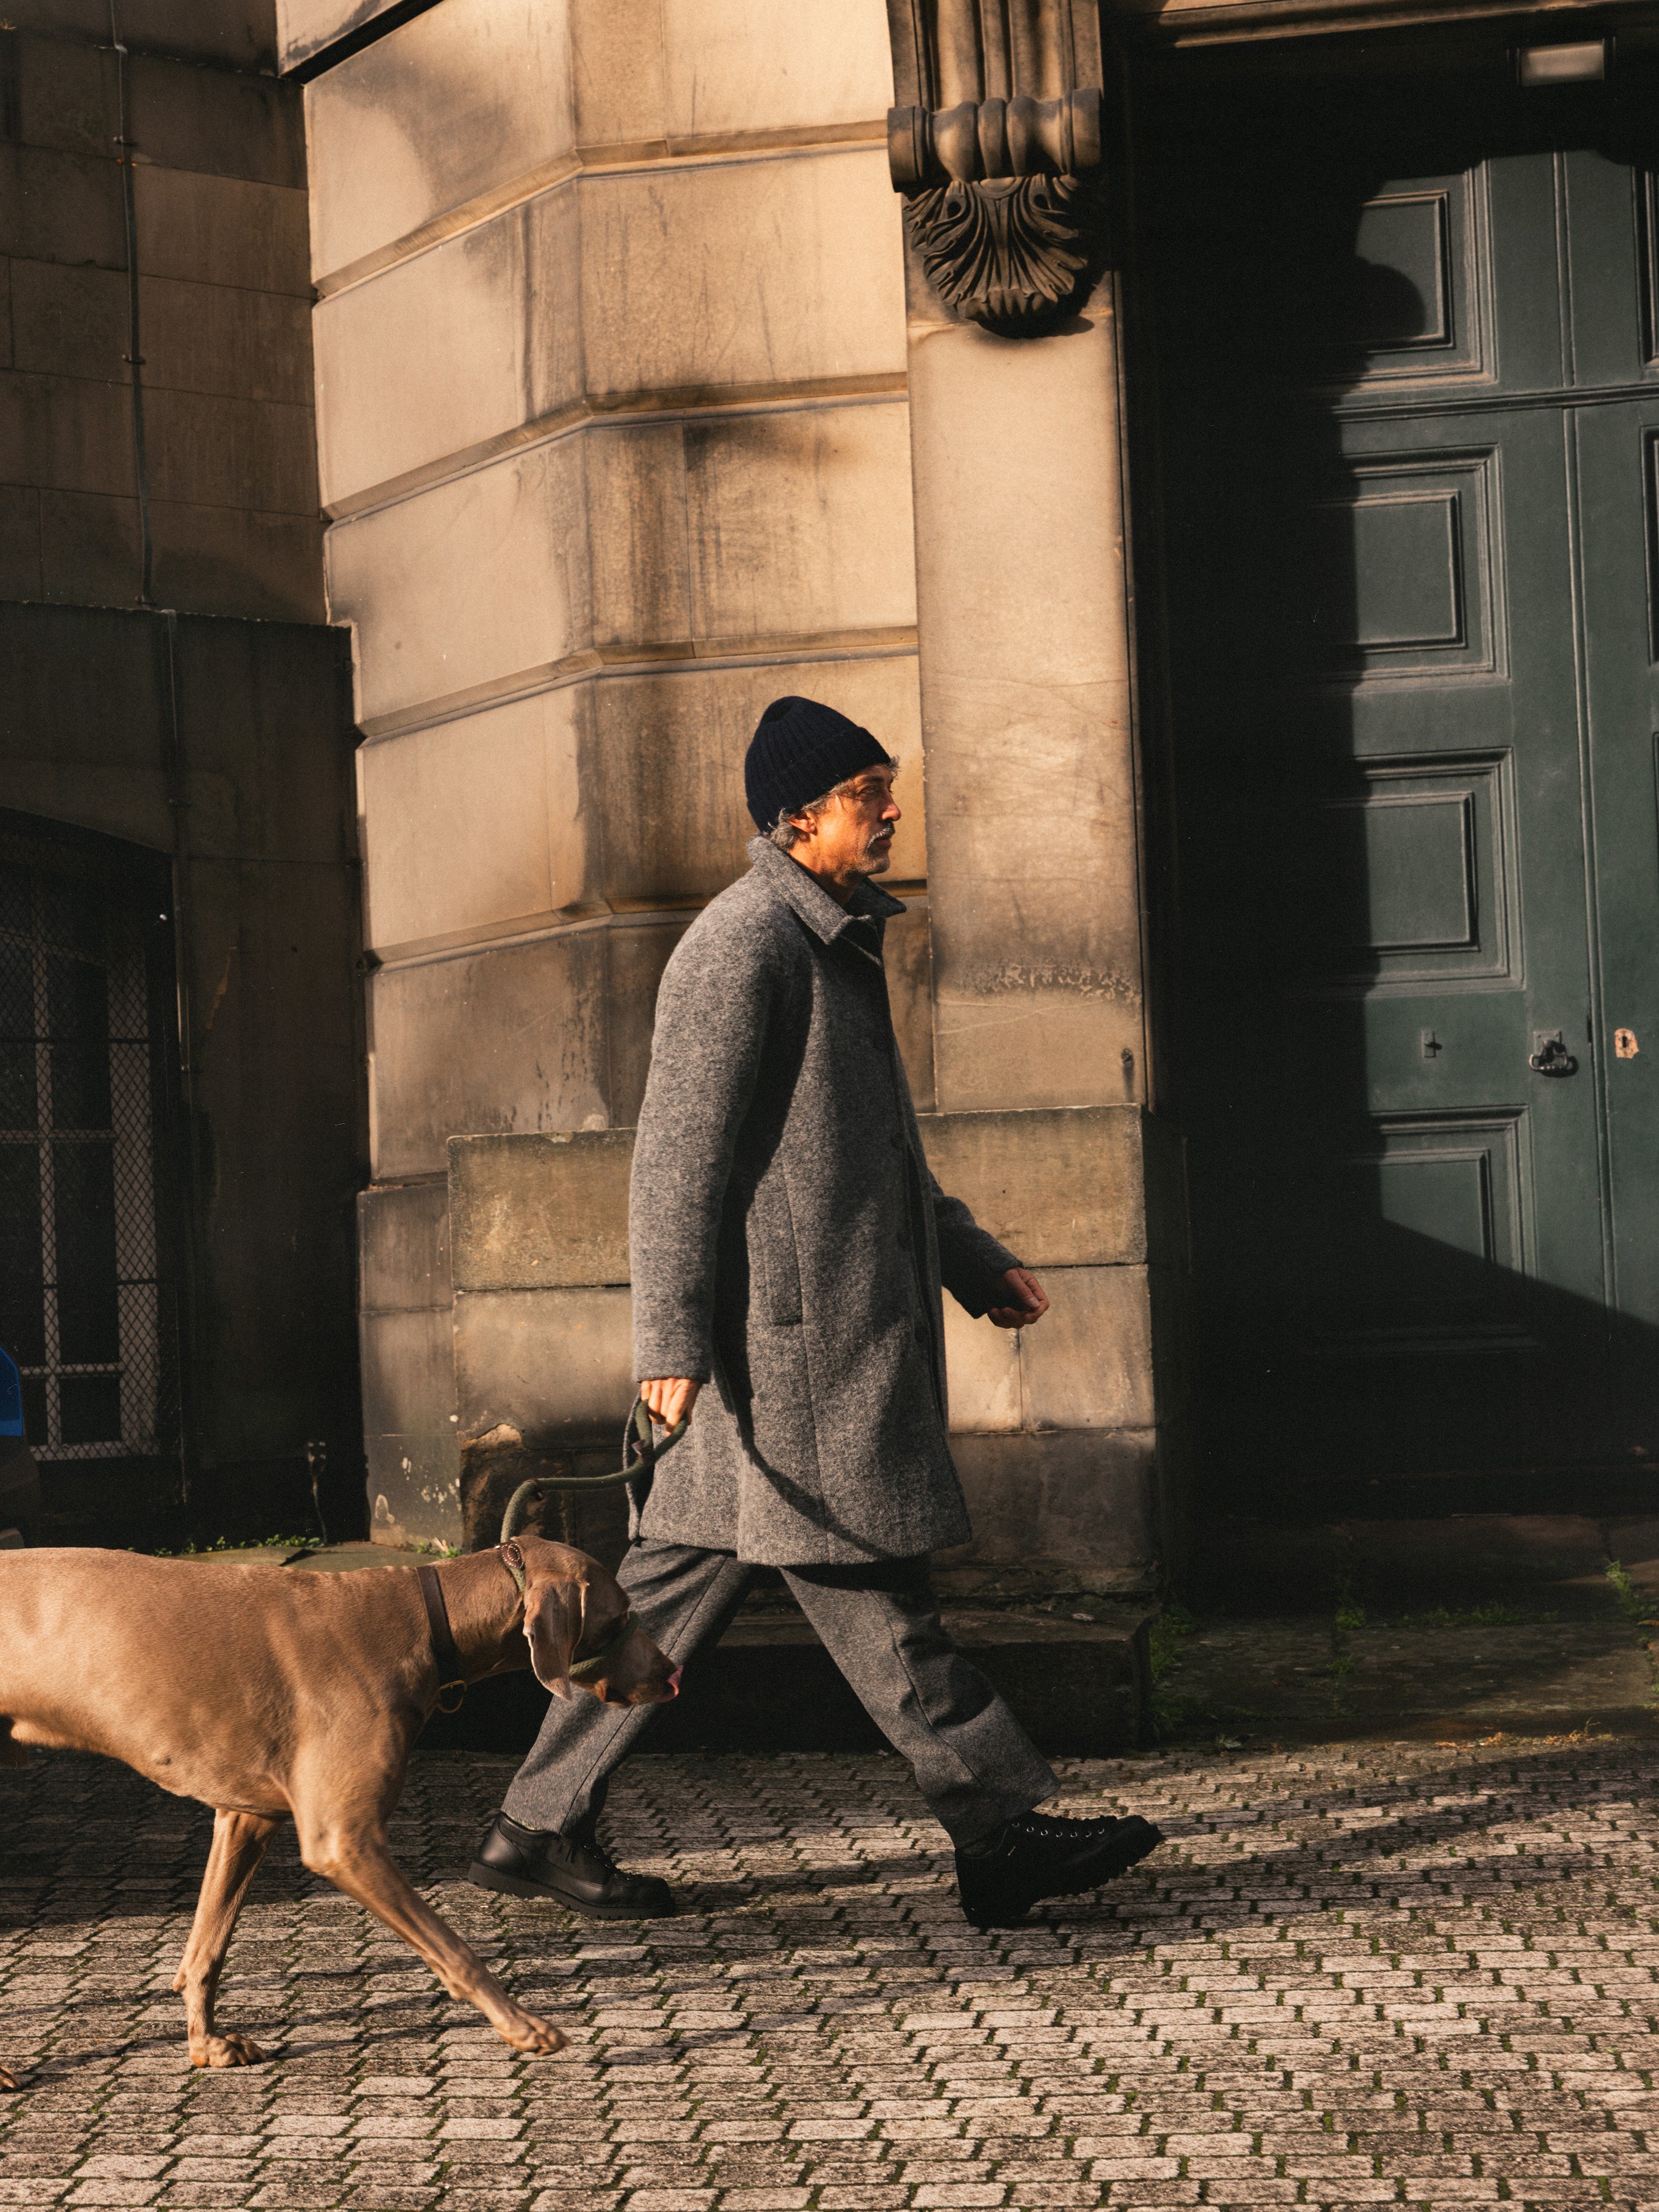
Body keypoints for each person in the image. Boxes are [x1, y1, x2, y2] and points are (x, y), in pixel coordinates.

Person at [469, 696, 1163, 1930]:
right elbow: (676, 1164)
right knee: (882, 1602)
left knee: (671, 1593)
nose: (891, 809)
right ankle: (999, 1831)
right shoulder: (742, 948)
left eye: (886, 787)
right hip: (779, 1367)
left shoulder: (829, 940)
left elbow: (877, 1156)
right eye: (865, 793)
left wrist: (970, 1260)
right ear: (796, 819)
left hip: (805, 1357)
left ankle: (535, 1824)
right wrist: (671, 1345)